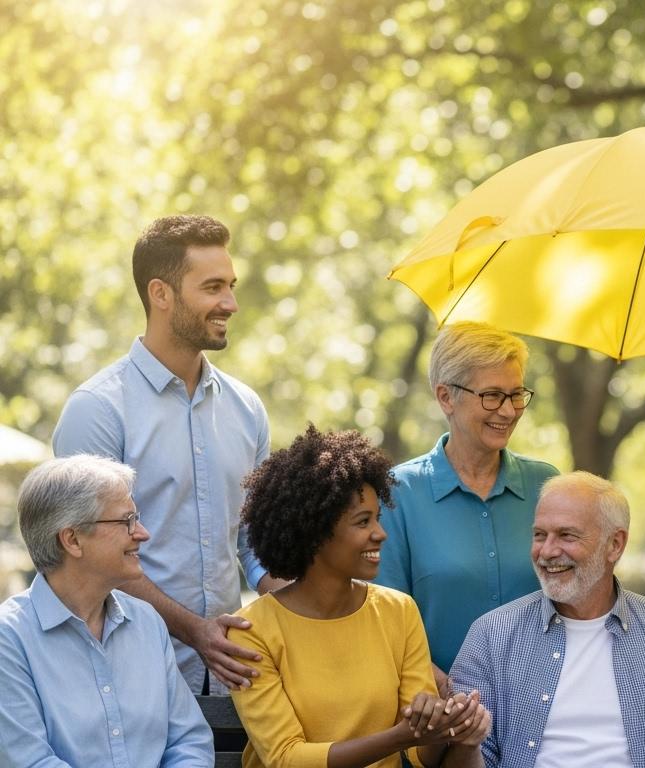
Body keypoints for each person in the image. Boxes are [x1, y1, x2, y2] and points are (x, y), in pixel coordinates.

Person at [52, 214, 279, 695]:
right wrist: (193, 630)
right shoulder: (96, 410)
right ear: (161, 294)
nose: (231, 303)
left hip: (231, 680)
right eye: (213, 287)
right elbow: (88, 558)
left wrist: (311, 604)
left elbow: (255, 544)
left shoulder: (247, 410)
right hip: (122, 679)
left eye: (231, 286)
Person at [230, 426, 490, 768]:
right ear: (315, 533)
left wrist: (442, 724)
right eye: (362, 522)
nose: (380, 534)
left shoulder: (398, 611)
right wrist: (400, 735)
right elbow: (285, 758)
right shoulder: (252, 631)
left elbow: (419, 753)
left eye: (378, 519)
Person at [451, 472, 645, 768]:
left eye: (567, 535)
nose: (547, 552)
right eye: (539, 535)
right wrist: (465, 740)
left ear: (615, 545)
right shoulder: (491, 634)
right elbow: (471, 756)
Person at [375, 321, 559, 689]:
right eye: (491, 395)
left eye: (516, 394)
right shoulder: (398, 493)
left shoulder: (547, 485)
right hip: (439, 714)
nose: (508, 411)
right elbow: (383, 623)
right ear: (446, 397)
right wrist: (443, 692)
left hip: (545, 702)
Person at [0, 455, 213, 766]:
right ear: (72, 539)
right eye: (126, 520)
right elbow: (30, 761)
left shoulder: (147, 622)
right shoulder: (10, 639)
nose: (142, 532)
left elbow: (190, 741)